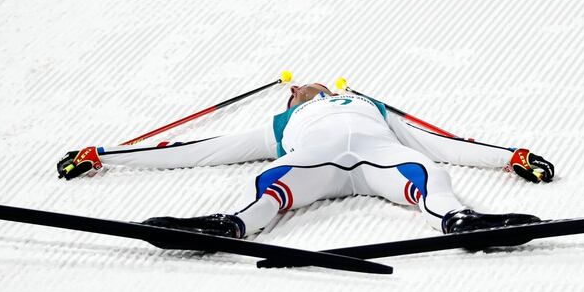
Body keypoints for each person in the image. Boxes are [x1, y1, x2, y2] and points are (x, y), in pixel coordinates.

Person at [57, 83, 555, 242]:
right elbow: (200, 149)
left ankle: (459, 221)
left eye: (305, 87)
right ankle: (229, 226)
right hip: (313, 161)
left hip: (376, 155)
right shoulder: (279, 125)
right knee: (274, 181)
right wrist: (103, 153)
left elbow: (439, 142)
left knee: (426, 172)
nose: (299, 91)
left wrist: (509, 156)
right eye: (295, 92)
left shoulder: (371, 107)